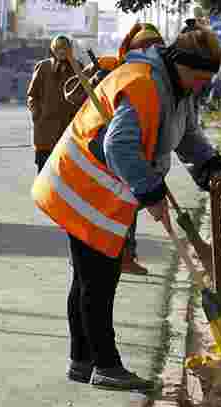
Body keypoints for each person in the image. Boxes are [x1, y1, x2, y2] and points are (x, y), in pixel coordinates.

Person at [32, 22, 221, 392]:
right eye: (200, 78)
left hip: (101, 190)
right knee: (97, 278)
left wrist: (211, 166)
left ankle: (83, 361)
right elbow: (120, 146)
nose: (202, 86)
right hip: (82, 184)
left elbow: (187, 136)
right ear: (183, 66)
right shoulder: (143, 84)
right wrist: (152, 192)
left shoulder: (178, 90)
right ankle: (106, 365)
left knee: (88, 277)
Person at [63, 22, 166, 276]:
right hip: (99, 150)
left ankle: (126, 255)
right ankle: (94, 258)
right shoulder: (111, 66)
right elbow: (73, 95)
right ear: (134, 47)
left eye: (156, 46)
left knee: (127, 210)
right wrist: (97, 80)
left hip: (134, 155)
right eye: (147, 46)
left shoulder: (155, 77)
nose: (152, 51)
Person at [26, 35, 81, 172]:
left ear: (70, 50)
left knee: (67, 171)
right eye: (59, 48)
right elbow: (32, 95)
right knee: (44, 170)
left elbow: (85, 96)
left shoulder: (78, 68)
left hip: (68, 130)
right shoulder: (43, 67)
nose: (62, 51)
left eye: (65, 48)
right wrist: (37, 115)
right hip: (45, 130)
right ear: (53, 49)